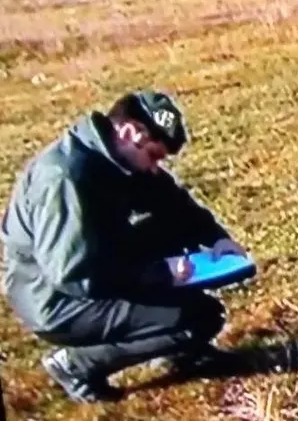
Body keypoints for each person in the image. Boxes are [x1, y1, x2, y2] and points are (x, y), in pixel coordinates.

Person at [0, 89, 248, 403]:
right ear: (131, 132)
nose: (155, 167)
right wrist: (162, 273)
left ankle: (177, 353)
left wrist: (217, 238)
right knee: (200, 317)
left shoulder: (117, 158)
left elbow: (172, 203)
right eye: (155, 155)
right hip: (54, 299)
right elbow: (73, 275)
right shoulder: (67, 178)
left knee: (168, 226)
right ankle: (77, 365)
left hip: (92, 263)